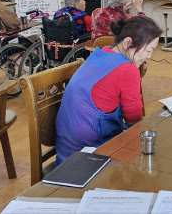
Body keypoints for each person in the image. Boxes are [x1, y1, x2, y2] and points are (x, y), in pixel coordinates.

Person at [55, 16, 162, 164]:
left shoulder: (100, 53)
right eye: (148, 50)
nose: (149, 56)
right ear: (127, 43)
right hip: (88, 159)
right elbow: (134, 120)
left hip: (64, 154)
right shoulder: (127, 70)